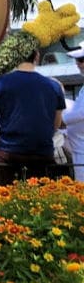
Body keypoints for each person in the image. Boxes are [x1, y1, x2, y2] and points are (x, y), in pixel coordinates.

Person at [0, 48, 66, 186]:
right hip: (42, 151)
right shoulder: (54, 86)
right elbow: (56, 124)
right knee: (41, 200)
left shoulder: (0, 83)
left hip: (10, 152)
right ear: (37, 57)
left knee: (8, 198)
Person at [62, 48, 84, 182]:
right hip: (79, 147)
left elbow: (81, 113)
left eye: (81, 60)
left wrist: (61, 121)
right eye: (77, 61)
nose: (78, 64)